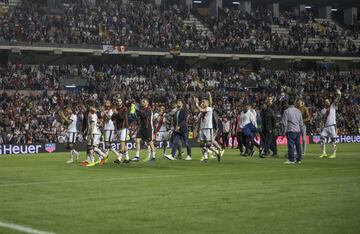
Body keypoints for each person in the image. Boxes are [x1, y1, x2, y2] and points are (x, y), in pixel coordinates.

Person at [193, 92, 221, 162]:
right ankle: (205, 157)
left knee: (208, 144)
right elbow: (199, 122)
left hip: (208, 128)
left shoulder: (209, 109)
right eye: (202, 102)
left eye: (204, 102)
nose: (202, 103)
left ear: (207, 104)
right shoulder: (200, 114)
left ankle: (217, 152)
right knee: (202, 144)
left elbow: (201, 109)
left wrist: (197, 103)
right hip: (202, 129)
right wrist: (196, 130)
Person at [319, 89, 342, 159]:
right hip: (325, 127)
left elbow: (337, 99)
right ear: (324, 103)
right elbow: (322, 119)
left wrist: (339, 94)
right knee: (322, 138)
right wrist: (321, 127)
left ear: (329, 102)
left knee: (333, 140)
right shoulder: (323, 110)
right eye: (325, 101)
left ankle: (334, 154)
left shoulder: (333, 106)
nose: (326, 102)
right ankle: (324, 153)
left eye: (327, 101)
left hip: (332, 126)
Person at [282, 96, 303, 164]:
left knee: (291, 145)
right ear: (294, 103)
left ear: (288, 103)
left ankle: (291, 159)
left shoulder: (286, 111)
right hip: (298, 130)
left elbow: (284, 123)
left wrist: (284, 131)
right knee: (298, 145)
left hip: (290, 130)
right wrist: (301, 130)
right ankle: (299, 159)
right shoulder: (298, 111)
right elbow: (301, 122)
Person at [112, 98, 130, 163]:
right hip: (118, 128)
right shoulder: (116, 109)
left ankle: (119, 158)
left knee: (122, 143)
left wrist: (116, 113)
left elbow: (122, 117)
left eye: (119, 101)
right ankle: (127, 158)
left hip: (124, 127)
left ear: (121, 102)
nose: (118, 102)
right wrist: (114, 113)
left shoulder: (125, 109)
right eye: (117, 101)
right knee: (123, 144)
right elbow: (112, 119)